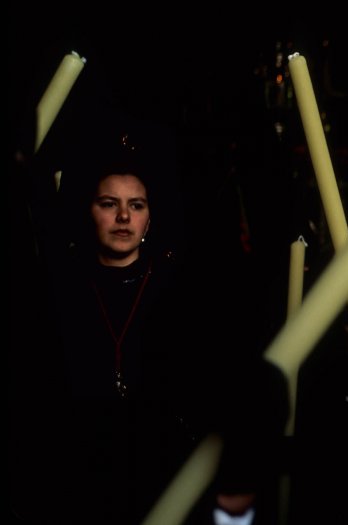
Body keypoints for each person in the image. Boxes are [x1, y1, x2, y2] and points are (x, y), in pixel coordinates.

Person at [10, 121, 288, 524]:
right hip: (78, 474)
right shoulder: (66, 283)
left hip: (158, 472)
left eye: (136, 205)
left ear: (149, 218)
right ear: (90, 212)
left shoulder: (175, 288)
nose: (123, 216)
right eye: (109, 203)